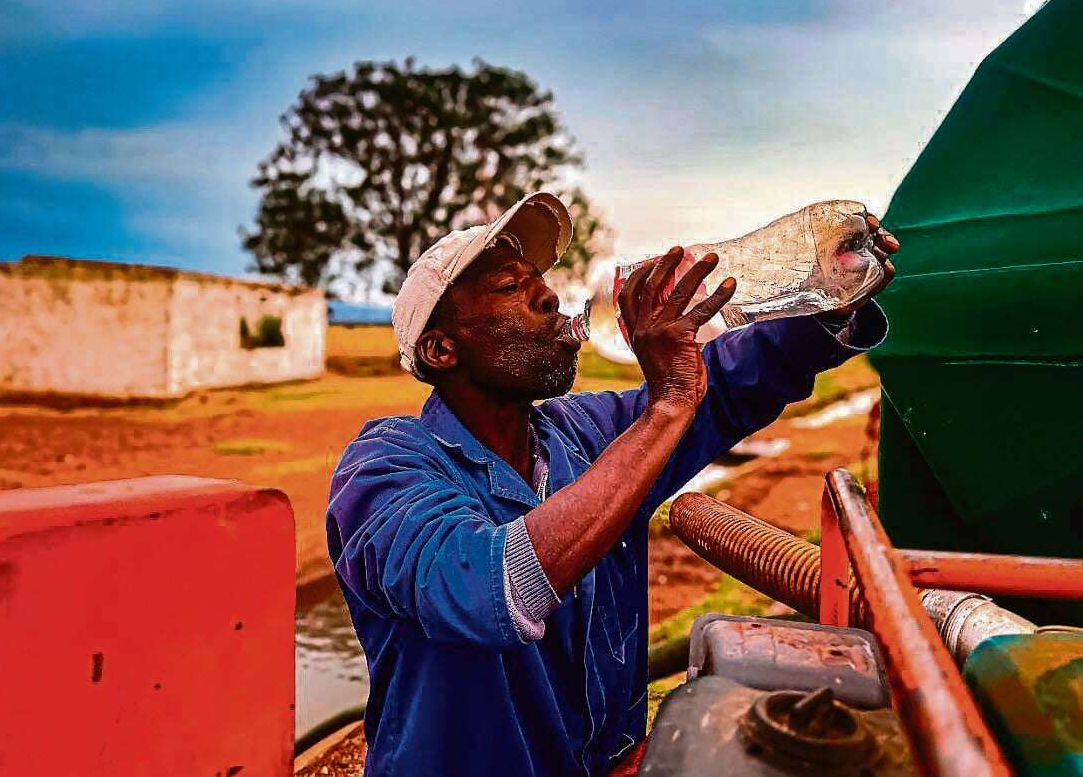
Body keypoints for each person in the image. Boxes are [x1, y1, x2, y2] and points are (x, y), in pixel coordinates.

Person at [326, 192, 898, 776]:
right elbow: (489, 590)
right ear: (442, 349)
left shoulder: (583, 433)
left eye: (538, 280)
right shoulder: (385, 468)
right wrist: (668, 402)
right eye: (508, 287)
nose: (547, 295)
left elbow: (721, 387)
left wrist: (824, 301)